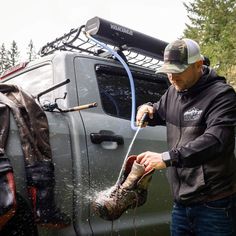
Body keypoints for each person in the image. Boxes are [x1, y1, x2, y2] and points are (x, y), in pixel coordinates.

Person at [136, 38, 236, 236]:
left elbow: (216, 140)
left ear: (198, 65)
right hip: (181, 204)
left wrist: (167, 157)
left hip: (215, 203)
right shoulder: (173, 92)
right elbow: (157, 111)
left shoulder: (222, 96)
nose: (172, 78)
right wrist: (146, 108)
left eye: (178, 71)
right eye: (168, 72)